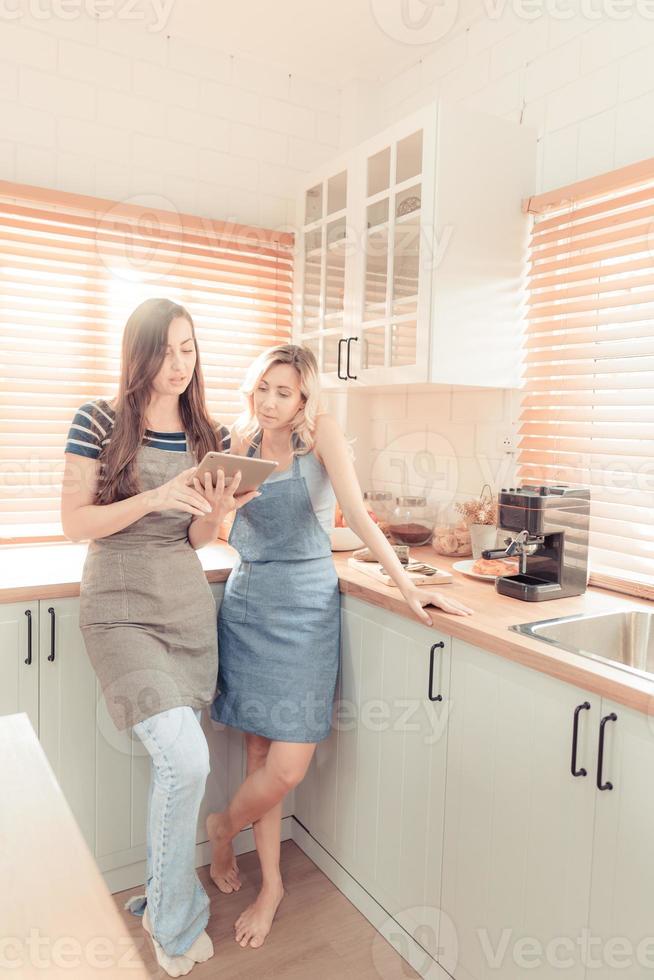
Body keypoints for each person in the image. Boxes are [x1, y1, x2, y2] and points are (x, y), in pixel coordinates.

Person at [204, 344, 473, 950]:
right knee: (258, 754)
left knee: (288, 764)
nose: (271, 401)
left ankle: (223, 827)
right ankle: (270, 884)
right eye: (264, 388)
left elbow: (357, 513)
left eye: (285, 391)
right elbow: (218, 525)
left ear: (304, 398)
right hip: (248, 604)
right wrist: (220, 510)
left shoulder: (320, 432)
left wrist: (409, 590)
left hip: (306, 606)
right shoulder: (236, 442)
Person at [61, 297, 257, 978]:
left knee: (176, 768)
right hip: (119, 613)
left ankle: (157, 897)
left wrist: (219, 513)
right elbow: (76, 522)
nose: (179, 365)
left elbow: (199, 537)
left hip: (184, 611)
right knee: (188, 762)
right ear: (139, 352)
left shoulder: (211, 432)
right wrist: (153, 497)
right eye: (167, 349)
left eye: (190, 349)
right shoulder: (97, 420)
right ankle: (174, 927)